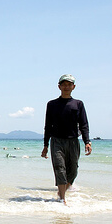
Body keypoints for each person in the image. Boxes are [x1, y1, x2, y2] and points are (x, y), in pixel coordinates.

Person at [41, 74, 92, 204]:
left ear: (73, 87)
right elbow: (48, 125)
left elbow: (84, 124)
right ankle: (62, 199)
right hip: (57, 141)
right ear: (59, 87)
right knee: (59, 168)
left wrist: (87, 141)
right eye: (64, 84)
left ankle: (62, 190)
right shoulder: (52, 104)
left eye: (69, 84)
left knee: (73, 170)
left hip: (73, 141)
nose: (66, 87)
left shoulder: (78, 104)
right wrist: (46, 145)